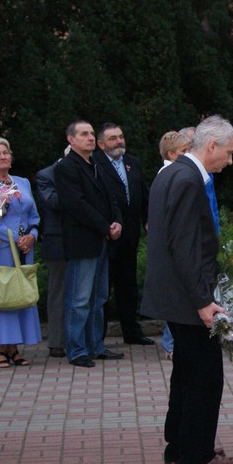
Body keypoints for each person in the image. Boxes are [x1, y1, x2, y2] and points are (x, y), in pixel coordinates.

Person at [141, 115, 233, 464]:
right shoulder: (187, 179)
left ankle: (179, 443)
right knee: (204, 375)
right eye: (228, 153)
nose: (229, 161)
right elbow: (184, 246)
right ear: (211, 146)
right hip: (187, 294)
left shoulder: (171, 172)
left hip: (175, 290)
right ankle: (196, 454)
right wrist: (203, 301)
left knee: (185, 371)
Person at [55, 121, 125, 368]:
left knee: (99, 298)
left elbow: (112, 198)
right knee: (79, 299)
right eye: (84, 134)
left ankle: (96, 345)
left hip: (102, 241)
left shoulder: (96, 164)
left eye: (92, 134)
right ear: (71, 140)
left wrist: (116, 221)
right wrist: (105, 226)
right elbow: (77, 205)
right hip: (83, 242)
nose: (90, 138)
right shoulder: (66, 168)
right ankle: (76, 350)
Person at [92, 123, 154, 347]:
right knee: (103, 287)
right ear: (100, 144)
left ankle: (132, 331)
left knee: (127, 285)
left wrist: (148, 219)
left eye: (121, 136)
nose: (119, 141)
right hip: (107, 234)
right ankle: (98, 336)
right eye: (112, 138)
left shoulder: (132, 162)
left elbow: (143, 194)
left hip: (130, 233)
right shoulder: (95, 164)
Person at [0, 137, 41, 368]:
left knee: (18, 294)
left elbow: (34, 215)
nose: (2, 157)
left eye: (5, 152)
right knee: (0, 296)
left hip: (24, 247)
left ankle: (14, 348)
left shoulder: (22, 182)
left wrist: (32, 236)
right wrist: (13, 238)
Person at [156, 130, 193, 360]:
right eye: (184, 152)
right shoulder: (172, 175)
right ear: (172, 154)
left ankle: (172, 342)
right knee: (177, 294)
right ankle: (170, 343)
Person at [35, 146, 70, 359]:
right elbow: (53, 202)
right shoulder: (46, 175)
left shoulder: (91, 171)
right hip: (58, 241)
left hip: (85, 241)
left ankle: (81, 340)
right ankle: (56, 341)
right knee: (58, 293)